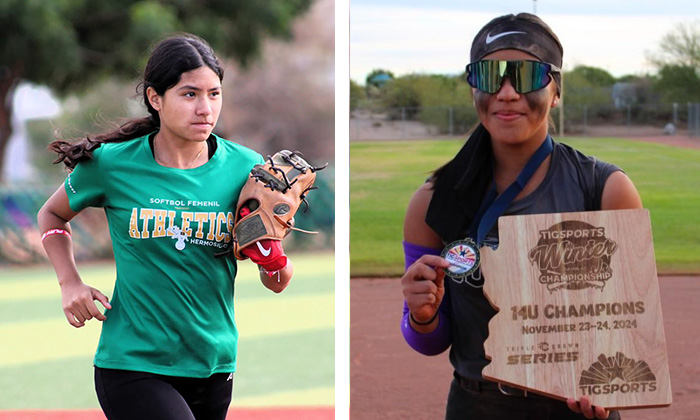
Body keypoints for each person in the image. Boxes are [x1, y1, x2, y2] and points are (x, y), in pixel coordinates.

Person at [37, 34, 293, 420]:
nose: (205, 108)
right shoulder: (112, 164)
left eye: (214, 93)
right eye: (189, 94)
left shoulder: (247, 168)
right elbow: (51, 215)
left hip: (215, 363)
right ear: (156, 98)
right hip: (133, 363)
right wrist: (69, 281)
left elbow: (277, 280)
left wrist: (272, 259)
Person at [400, 13, 642, 420]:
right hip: (476, 405)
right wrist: (422, 315)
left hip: (576, 410)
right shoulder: (433, 201)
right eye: (490, 75)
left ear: (556, 90)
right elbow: (429, 342)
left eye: (527, 75)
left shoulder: (605, 189)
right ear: (473, 86)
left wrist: (610, 389)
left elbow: (632, 323)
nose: (507, 92)